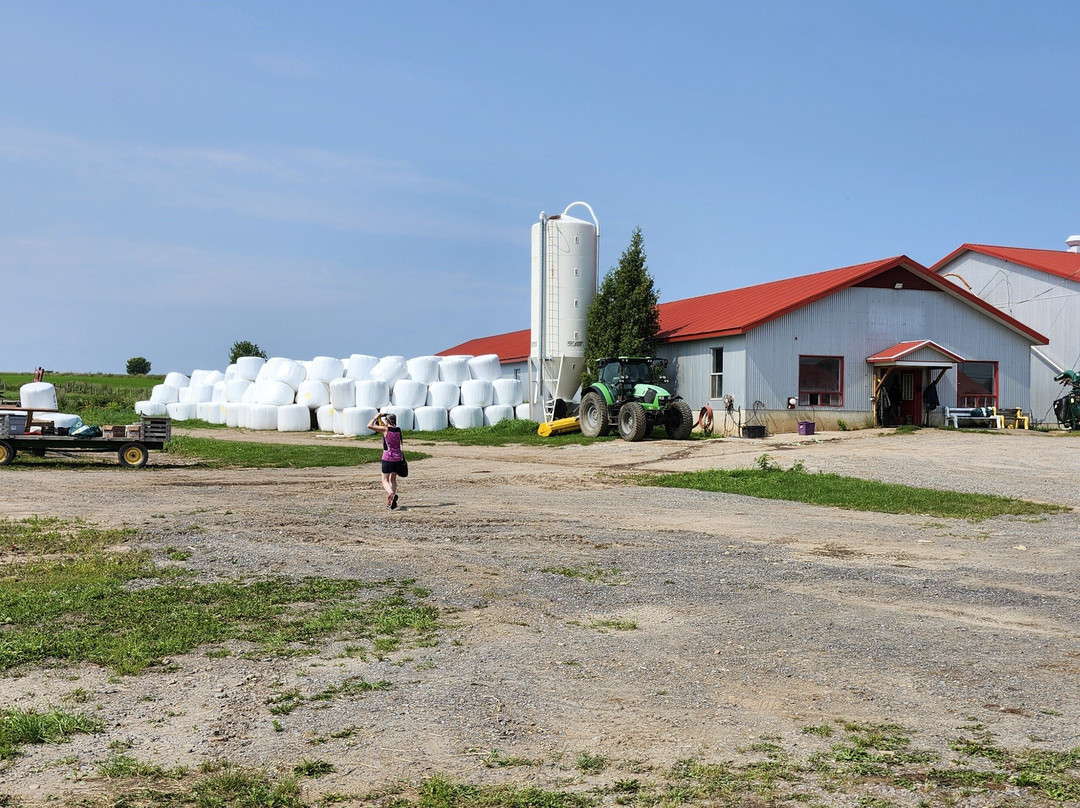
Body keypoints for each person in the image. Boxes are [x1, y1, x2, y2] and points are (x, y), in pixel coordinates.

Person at [367, 412, 404, 509]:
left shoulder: (385, 429)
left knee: (384, 480)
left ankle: (391, 494)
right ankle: (391, 500)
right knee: (393, 480)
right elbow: (386, 427)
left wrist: (376, 417)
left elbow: (369, 426)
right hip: (398, 458)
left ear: (387, 421)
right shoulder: (398, 430)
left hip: (388, 458)